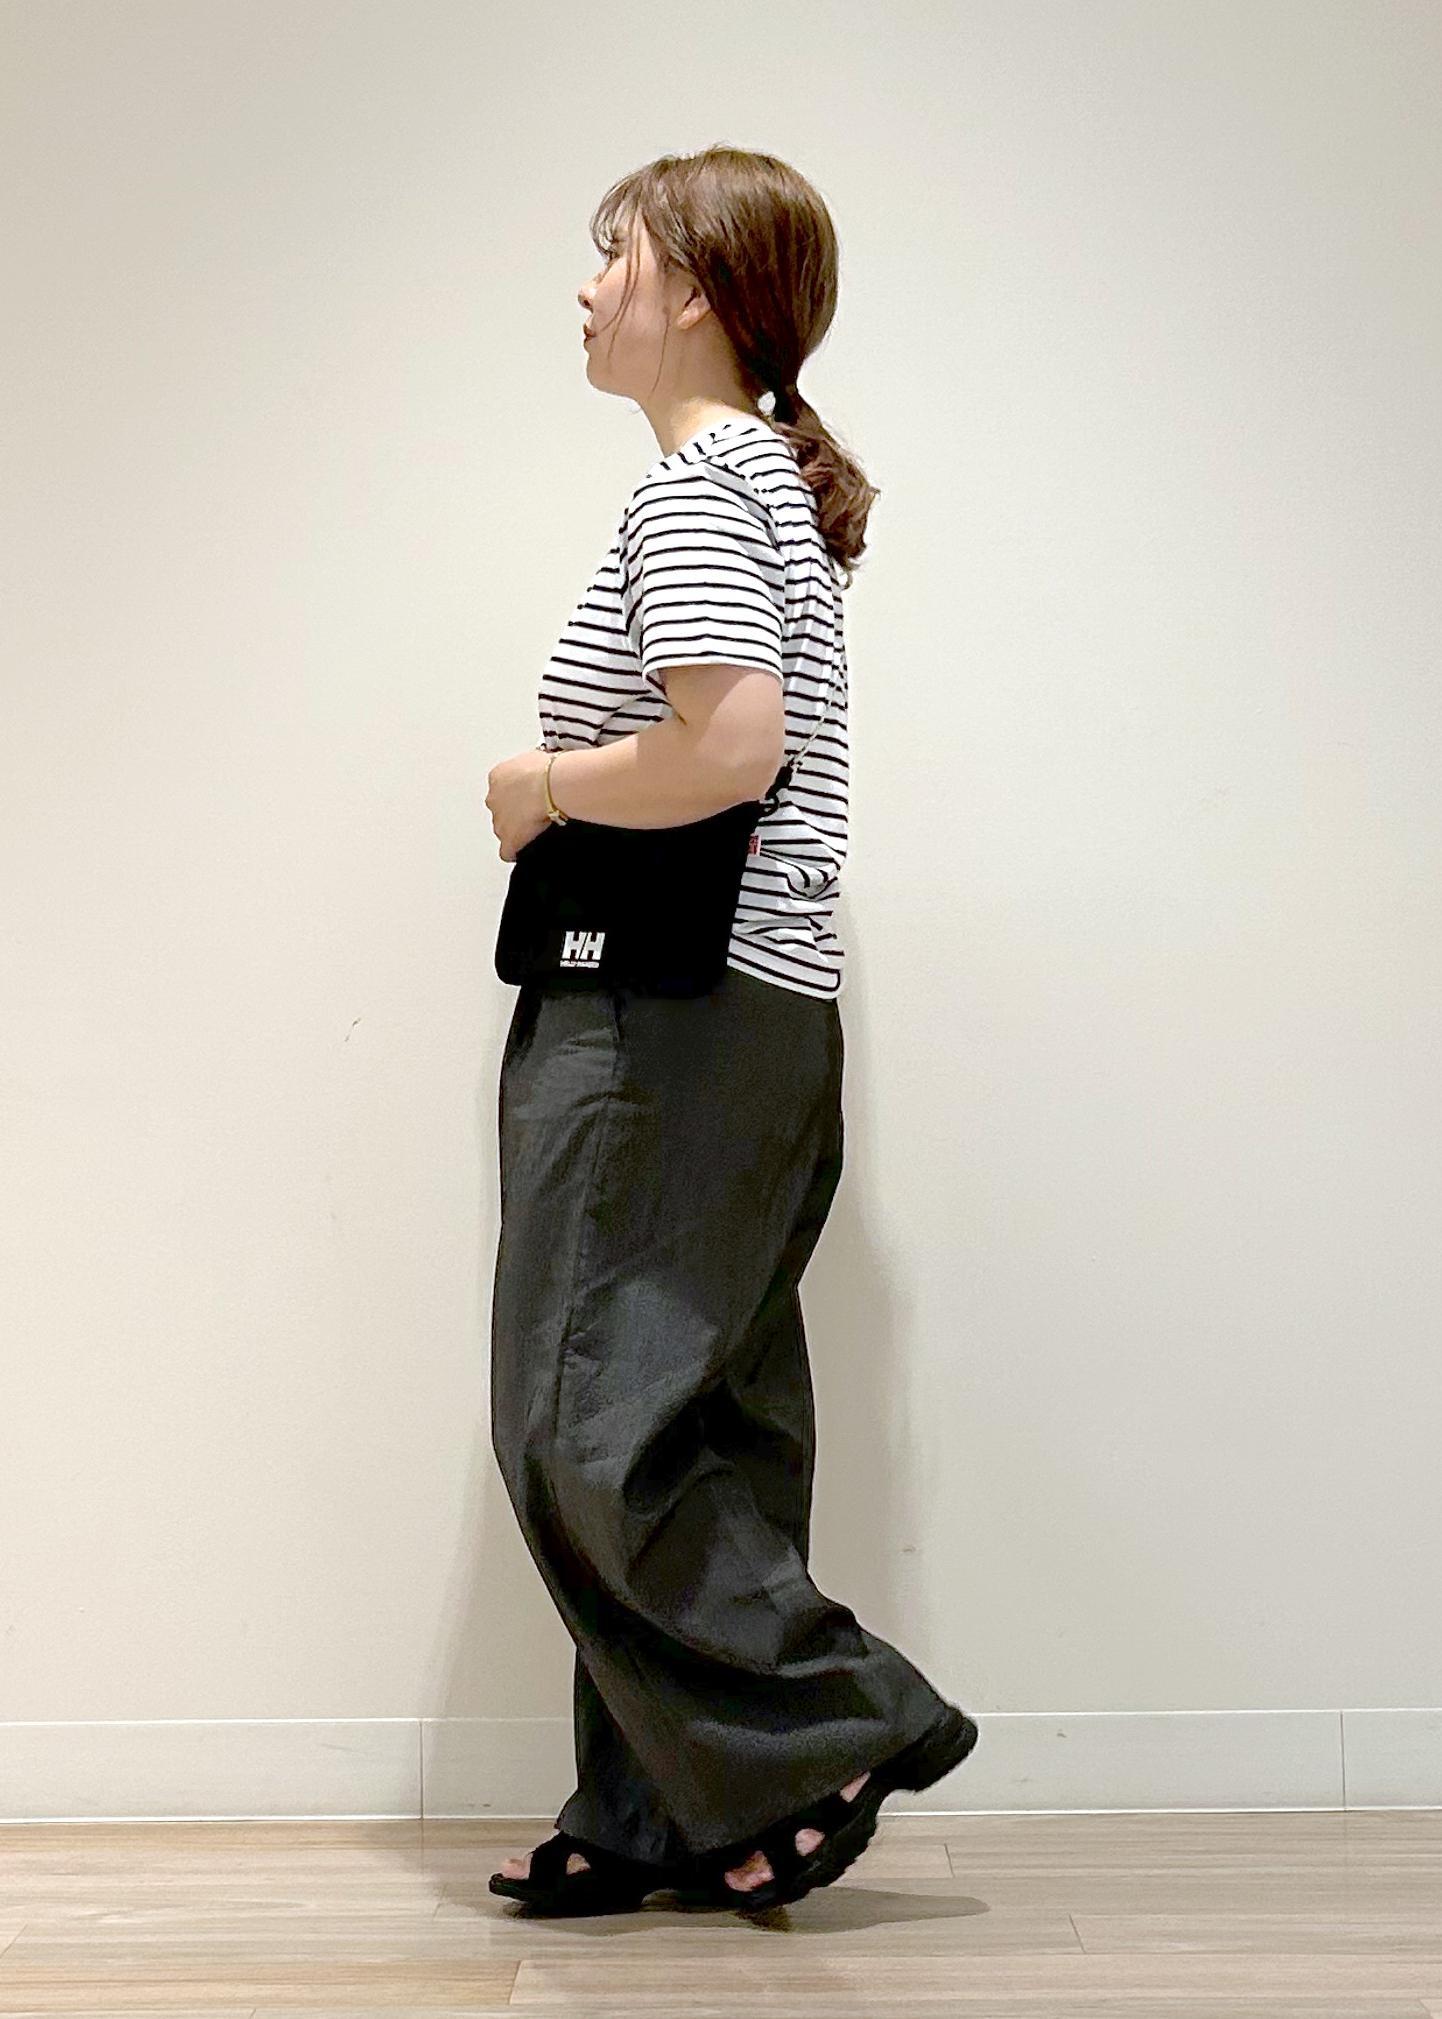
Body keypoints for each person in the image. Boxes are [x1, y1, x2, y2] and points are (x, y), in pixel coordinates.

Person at [484, 146, 977, 1919]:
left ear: (691, 287)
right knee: (693, 1422)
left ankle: (827, 1728)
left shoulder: (698, 492)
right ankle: (667, 1811)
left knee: (576, 1420)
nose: (584, 287)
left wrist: (540, 785)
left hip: (663, 1017)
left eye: (610, 252)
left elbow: (727, 746)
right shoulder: (768, 482)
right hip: (763, 1017)